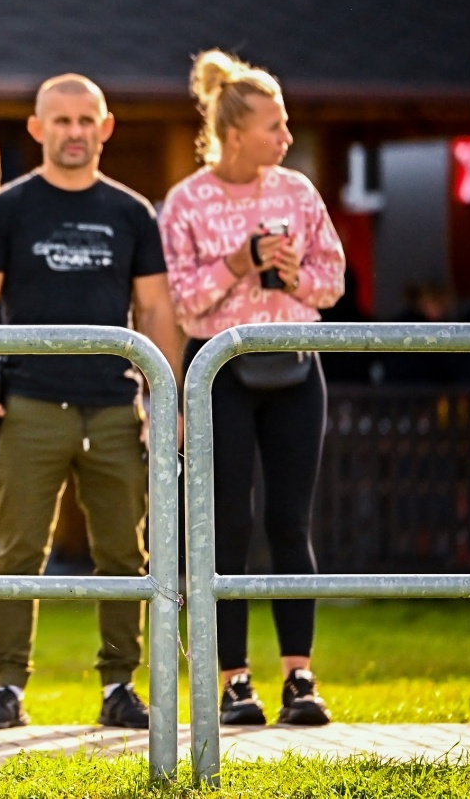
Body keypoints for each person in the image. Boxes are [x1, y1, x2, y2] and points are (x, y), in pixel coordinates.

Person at [0, 74, 181, 733]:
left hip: (114, 406)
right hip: (29, 402)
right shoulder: (8, 209)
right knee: (18, 547)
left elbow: (157, 308)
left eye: (86, 120)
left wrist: (170, 397)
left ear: (105, 127)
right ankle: (6, 687)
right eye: (61, 120)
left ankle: (120, 686)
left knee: (124, 553)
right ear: (37, 128)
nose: (74, 131)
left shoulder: (133, 212)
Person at [159, 48, 344, 728]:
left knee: (290, 521)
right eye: (275, 125)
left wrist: (292, 273)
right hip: (220, 372)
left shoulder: (298, 192)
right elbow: (183, 307)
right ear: (233, 131)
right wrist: (239, 261)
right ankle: (233, 681)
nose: (287, 137)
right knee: (225, 525)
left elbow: (333, 284)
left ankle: (300, 673)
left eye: (287, 124)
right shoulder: (186, 202)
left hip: (296, 364)